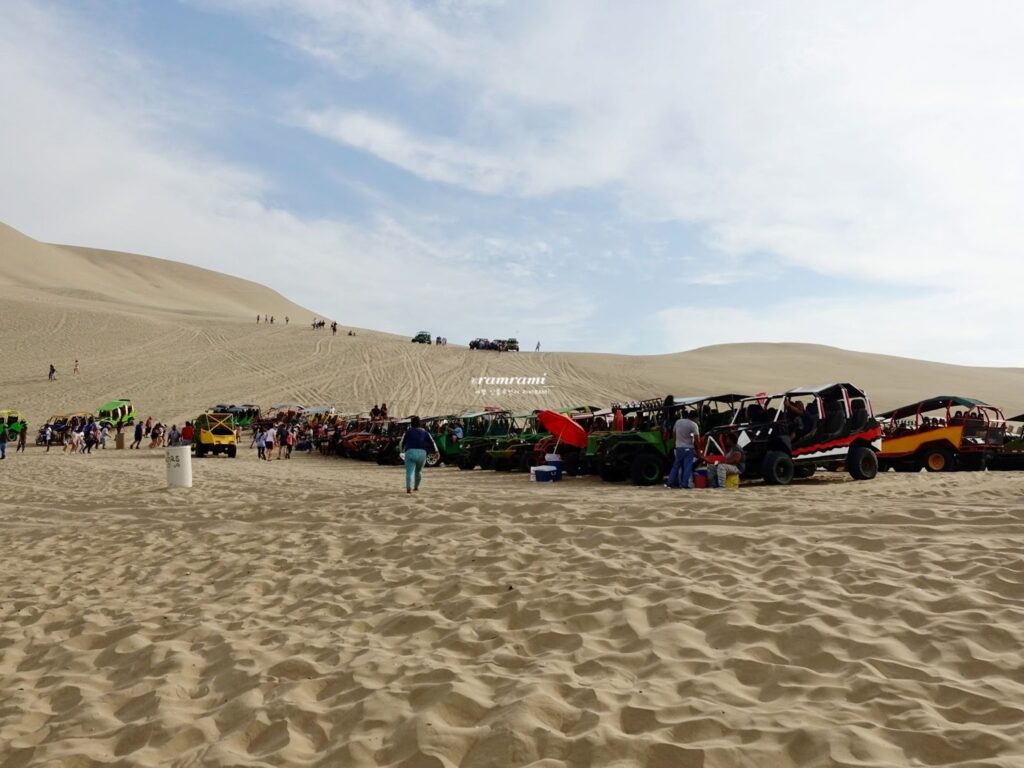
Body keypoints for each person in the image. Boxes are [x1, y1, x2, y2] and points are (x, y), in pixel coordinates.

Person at [400, 415, 439, 494]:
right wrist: (436, 451)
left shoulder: (408, 432)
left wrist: (401, 451)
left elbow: (401, 443)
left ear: (411, 424)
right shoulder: (425, 432)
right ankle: (416, 487)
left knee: (409, 472)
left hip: (410, 452)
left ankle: (409, 489)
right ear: (420, 424)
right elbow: (432, 442)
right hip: (422, 453)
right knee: (419, 471)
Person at [666, 410, 699, 489]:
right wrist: (698, 449)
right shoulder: (693, 425)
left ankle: (669, 483)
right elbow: (697, 439)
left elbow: (674, 433)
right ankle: (684, 484)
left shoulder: (678, 422)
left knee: (676, 466)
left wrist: (675, 443)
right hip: (688, 448)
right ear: (695, 417)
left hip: (678, 448)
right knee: (687, 466)